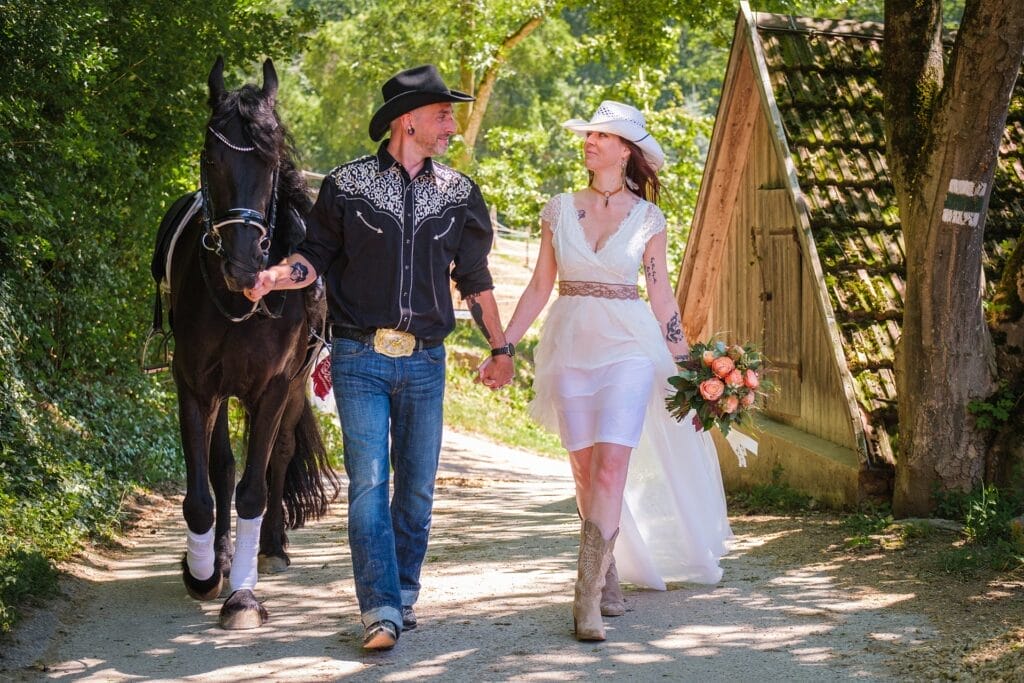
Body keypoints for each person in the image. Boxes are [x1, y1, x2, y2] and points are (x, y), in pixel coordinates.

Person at [244, 64, 515, 651]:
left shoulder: (460, 195)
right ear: (406, 120)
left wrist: (502, 347)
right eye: (443, 114)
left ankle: (404, 593)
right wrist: (273, 277)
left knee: (416, 489)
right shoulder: (346, 186)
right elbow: (313, 257)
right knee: (370, 482)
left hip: (425, 362)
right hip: (359, 355)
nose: (451, 125)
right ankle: (381, 608)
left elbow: (475, 278)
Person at [500, 101, 732, 641]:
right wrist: (505, 346)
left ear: (625, 151)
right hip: (569, 345)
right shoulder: (558, 209)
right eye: (588, 134)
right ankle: (604, 575)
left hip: (629, 346)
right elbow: (539, 286)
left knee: (610, 468)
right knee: (584, 471)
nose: (590, 142)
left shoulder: (648, 218)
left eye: (602, 136)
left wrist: (688, 366)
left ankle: (584, 602)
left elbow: (661, 294)